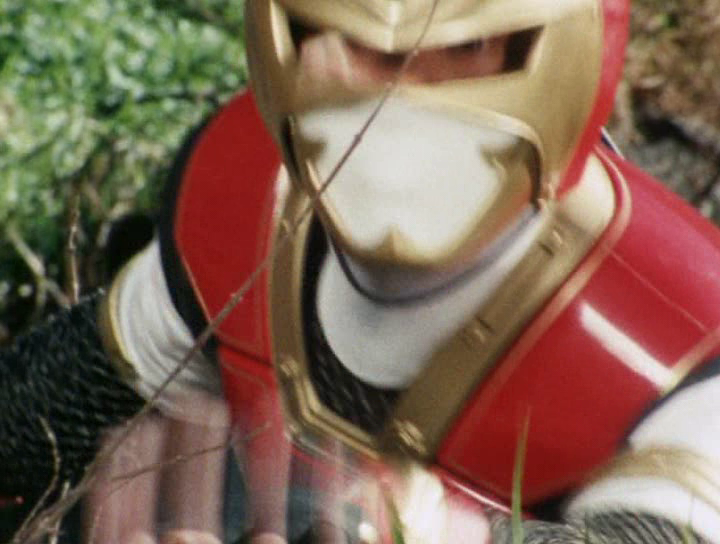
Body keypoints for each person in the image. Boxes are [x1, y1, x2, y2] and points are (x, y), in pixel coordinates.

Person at [3, 0, 720, 542]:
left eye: (465, 48)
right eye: (355, 45)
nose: (402, 92)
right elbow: (29, 429)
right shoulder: (240, 194)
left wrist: (405, 529)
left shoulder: (685, 344)